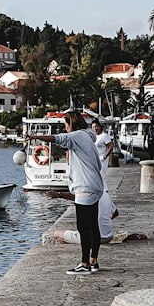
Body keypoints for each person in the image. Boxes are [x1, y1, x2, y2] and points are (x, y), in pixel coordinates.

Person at [52, 110, 104, 275]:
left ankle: (84, 263)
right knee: (93, 226)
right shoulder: (87, 137)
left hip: (84, 189)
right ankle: (93, 260)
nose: (65, 128)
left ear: (71, 124)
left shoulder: (77, 136)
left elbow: (59, 138)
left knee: (83, 228)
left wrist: (34, 137)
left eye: (66, 125)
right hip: (95, 187)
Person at [90, 119, 117, 241]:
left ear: (100, 127)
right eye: (93, 127)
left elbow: (111, 146)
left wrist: (105, 155)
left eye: (96, 127)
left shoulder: (104, 136)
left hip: (102, 160)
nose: (95, 129)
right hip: (94, 160)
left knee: (99, 177)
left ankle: (103, 193)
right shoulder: (92, 137)